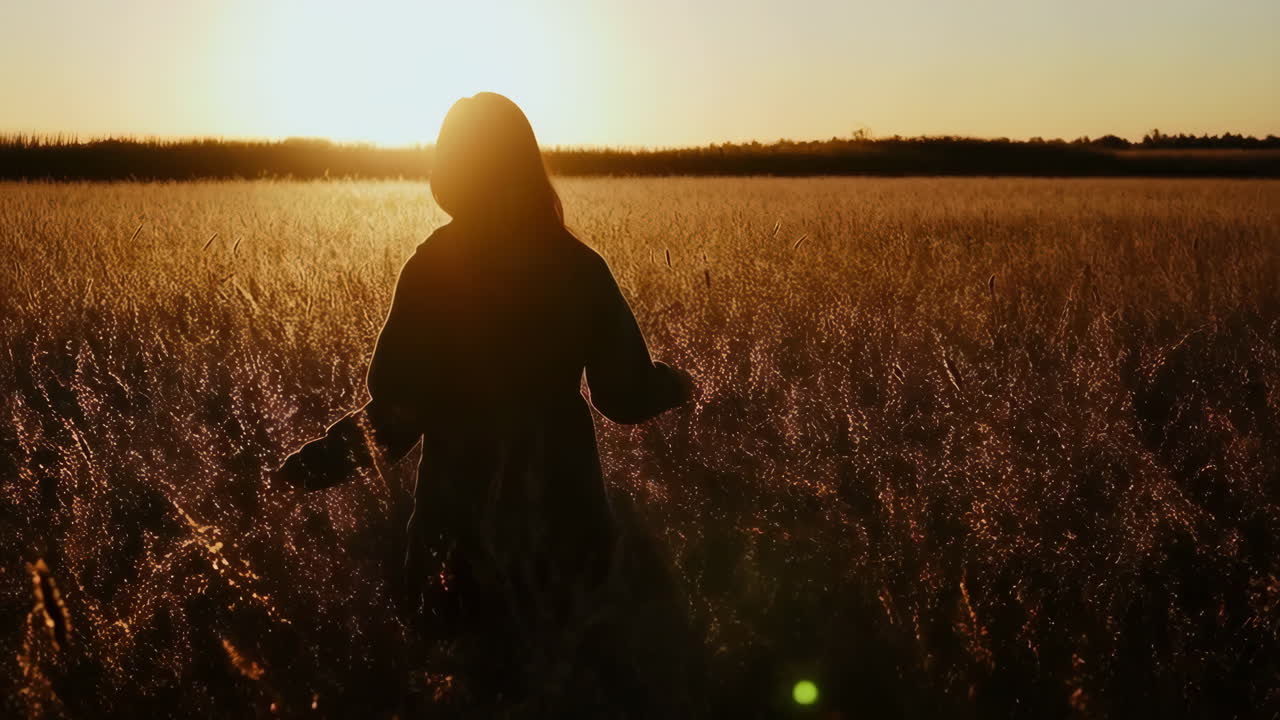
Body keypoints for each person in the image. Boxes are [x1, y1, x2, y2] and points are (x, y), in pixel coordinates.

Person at [276, 92, 697, 715]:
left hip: (456, 521)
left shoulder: (435, 266)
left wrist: (302, 471)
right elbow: (623, 396)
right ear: (526, 163)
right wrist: (677, 384)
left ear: (451, 168)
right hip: (568, 523)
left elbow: (393, 419)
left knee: (463, 688)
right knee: (567, 686)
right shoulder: (578, 266)